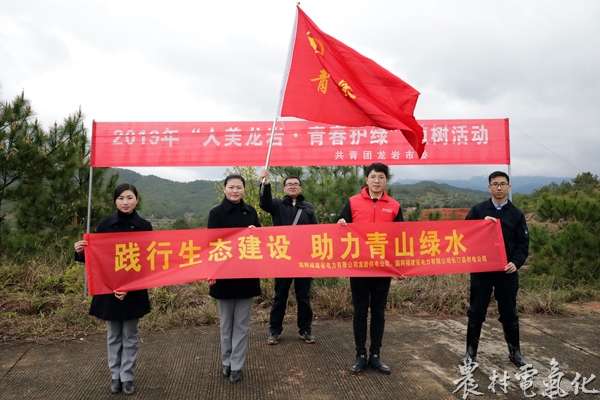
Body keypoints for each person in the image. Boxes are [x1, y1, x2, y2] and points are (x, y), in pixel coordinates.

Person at [74, 183, 152, 396]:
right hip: (109, 289)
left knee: (130, 336)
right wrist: (81, 252)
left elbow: (147, 262)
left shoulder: (145, 226)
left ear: (136, 199)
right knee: (113, 336)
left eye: (129, 198)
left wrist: (129, 286)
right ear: (115, 201)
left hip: (133, 290)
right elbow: (99, 260)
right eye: (121, 198)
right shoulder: (105, 225)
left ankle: (127, 377)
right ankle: (115, 376)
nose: (125, 202)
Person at [337, 163, 403, 375]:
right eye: (373, 176)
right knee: (359, 311)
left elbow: (401, 238)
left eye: (381, 177)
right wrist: (340, 223)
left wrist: (400, 266)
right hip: (359, 267)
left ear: (386, 180)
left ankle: (375, 355)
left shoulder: (394, 206)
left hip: (383, 269)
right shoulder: (353, 202)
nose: (376, 180)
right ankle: (360, 355)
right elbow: (340, 228)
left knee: (378, 312)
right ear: (366, 180)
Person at [461, 171, 530, 367]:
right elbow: (463, 234)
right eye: (495, 184)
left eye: (502, 184)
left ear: (509, 187)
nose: (499, 187)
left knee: (509, 311)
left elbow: (522, 244)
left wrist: (515, 263)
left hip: (506, 271)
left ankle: (515, 353)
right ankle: (470, 353)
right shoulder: (478, 210)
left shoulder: (516, 214)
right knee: (476, 311)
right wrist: (480, 225)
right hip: (482, 269)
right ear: (489, 187)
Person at [207, 174, 262, 384]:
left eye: (239, 187)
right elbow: (211, 244)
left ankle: (237, 365)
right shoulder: (216, 213)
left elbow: (260, 240)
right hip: (224, 276)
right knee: (226, 325)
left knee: (242, 325)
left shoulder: (251, 211)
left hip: (247, 275)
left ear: (244, 190)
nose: (235, 191)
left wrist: (255, 233)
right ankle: (226, 361)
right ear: (224, 189)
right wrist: (212, 272)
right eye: (231, 187)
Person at [259, 169, 319, 345]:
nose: (292, 186)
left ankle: (306, 330)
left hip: (303, 259)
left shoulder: (308, 208)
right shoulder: (277, 205)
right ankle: (274, 330)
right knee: (280, 296)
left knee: (303, 296)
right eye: (289, 184)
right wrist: (265, 183)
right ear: (284, 189)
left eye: (296, 184)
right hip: (282, 257)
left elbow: (316, 232)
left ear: (300, 188)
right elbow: (264, 203)